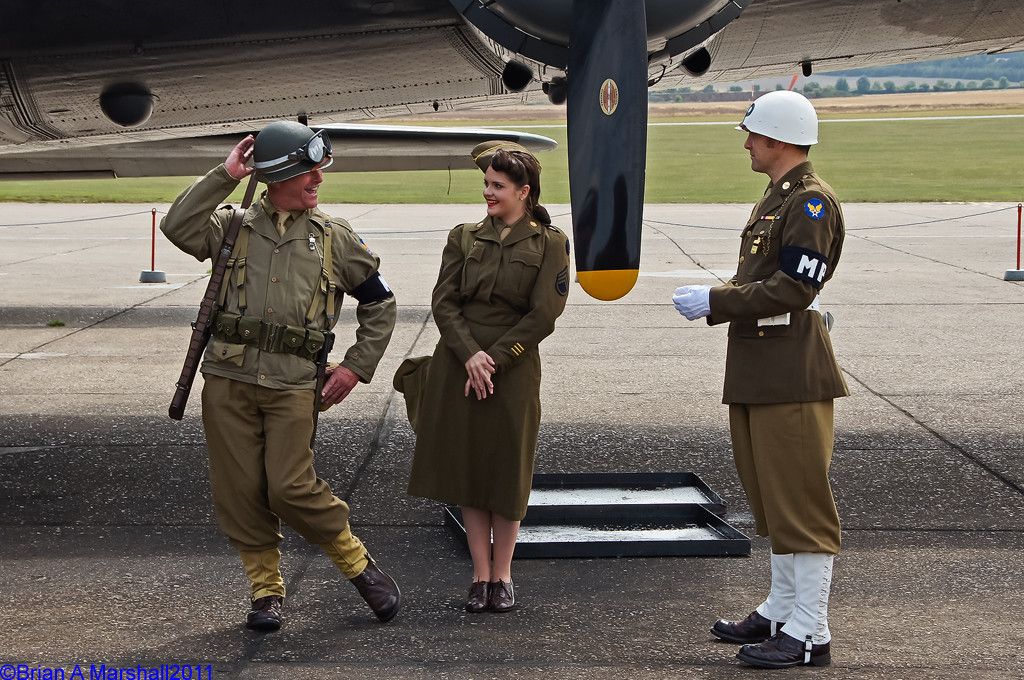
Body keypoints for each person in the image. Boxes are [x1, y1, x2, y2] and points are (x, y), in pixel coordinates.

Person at [160, 121, 401, 632]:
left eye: (319, 170)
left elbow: (379, 303)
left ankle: (358, 566)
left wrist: (357, 368)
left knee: (291, 487)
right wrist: (226, 174)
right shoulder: (231, 226)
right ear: (278, 175)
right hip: (228, 379)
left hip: (294, 385)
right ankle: (265, 592)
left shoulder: (333, 238)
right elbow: (178, 225)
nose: (318, 179)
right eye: (308, 170)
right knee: (240, 488)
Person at [672, 90, 848, 669]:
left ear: (777, 138)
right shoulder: (778, 199)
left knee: (801, 501)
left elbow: (796, 290)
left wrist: (718, 299)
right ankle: (781, 608)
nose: (747, 143)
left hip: (790, 372)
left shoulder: (810, 205)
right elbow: (763, 278)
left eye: (753, 134)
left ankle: (810, 630)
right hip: (759, 367)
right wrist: (725, 297)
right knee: (771, 497)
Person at [401, 141, 570, 613]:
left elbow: (544, 315)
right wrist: (470, 355)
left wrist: (493, 359)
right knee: (470, 468)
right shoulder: (463, 236)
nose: (488, 193)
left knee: (506, 469)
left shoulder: (549, 242)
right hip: (460, 360)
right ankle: (480, 576)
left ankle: (505, 575)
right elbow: (444, 301)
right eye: (486, 184)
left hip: (511, 367)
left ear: (524, 191)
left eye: (498, 186)